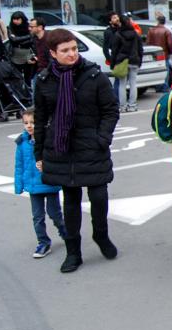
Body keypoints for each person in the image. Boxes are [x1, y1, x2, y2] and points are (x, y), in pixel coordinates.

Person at [33, 28, 120, 273]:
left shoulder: (93, 75)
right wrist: (38, 151)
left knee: (99, 197)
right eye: (65, 50)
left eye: (74, 48)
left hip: (91, 146)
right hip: (61, 148)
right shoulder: (43, 80)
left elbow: (111, 110)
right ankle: (73, 252)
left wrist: (102, 138)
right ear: (53, 53)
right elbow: (40, 118)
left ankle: (101, 236)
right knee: (70, 202)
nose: (72, 54)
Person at [14, 109, 66, 259]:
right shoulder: (22, 142)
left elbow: (58, 159)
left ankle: (64, 231)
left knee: (54, 214)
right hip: (33, 186)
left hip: (49, 183)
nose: (29, 126)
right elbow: (19, 165)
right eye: (26, 123)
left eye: (33, 122)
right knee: (37, 217)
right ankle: (43, 242)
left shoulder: (48, 140)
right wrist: (19, 185)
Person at [108, 14, 143, 112]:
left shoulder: (118, 35)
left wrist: (113, 63)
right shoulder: (135, 34)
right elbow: (140, 49)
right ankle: (132, 105)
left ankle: (122, 106)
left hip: (122, 61)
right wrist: (140, 61)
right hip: (134, 61)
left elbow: (114, 51)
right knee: (133, 83)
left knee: (122, 85)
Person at [147, 16, 172, 91]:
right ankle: (164, 87)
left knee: (157, 70)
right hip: (164, 54)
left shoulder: (151, 30)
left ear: (157, 21)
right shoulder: (167, 31)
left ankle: (158, 86)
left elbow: (148, 42)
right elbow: (170, 44)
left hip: (154, 55)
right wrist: (170, 52)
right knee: (165, 70)